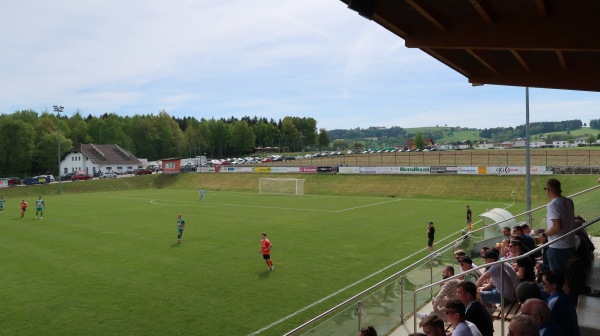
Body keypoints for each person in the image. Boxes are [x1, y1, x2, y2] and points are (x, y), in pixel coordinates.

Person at [543, 178, 576, 274]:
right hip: (571, 244)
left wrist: (544, 234)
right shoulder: (569, 201)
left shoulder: (552, 205)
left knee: (557, 279)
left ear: (548, 190)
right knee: (568, 276)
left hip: (557, 247)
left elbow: (557, 227)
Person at [541, 270, 580, 336]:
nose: (542, 285)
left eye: (544, 283)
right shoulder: (564, 297)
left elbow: (542, 322)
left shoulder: (555, 302)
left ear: (554, 285)